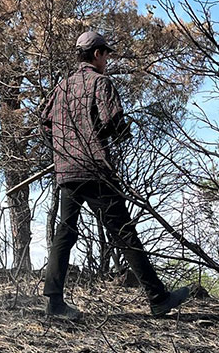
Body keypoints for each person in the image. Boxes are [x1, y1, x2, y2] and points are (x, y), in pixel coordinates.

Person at [40, 31, 190, 319]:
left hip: (67, 171)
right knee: (124, 233)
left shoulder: (61, 87)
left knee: (65, 234)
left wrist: (63, 146)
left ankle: (54, 301)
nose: (107, 59)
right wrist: (115, 134)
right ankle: (158, 298)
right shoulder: (101, 83)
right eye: (106, 54)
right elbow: (115, 124)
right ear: (97, 54)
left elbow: (45, 123)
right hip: (96, 170)